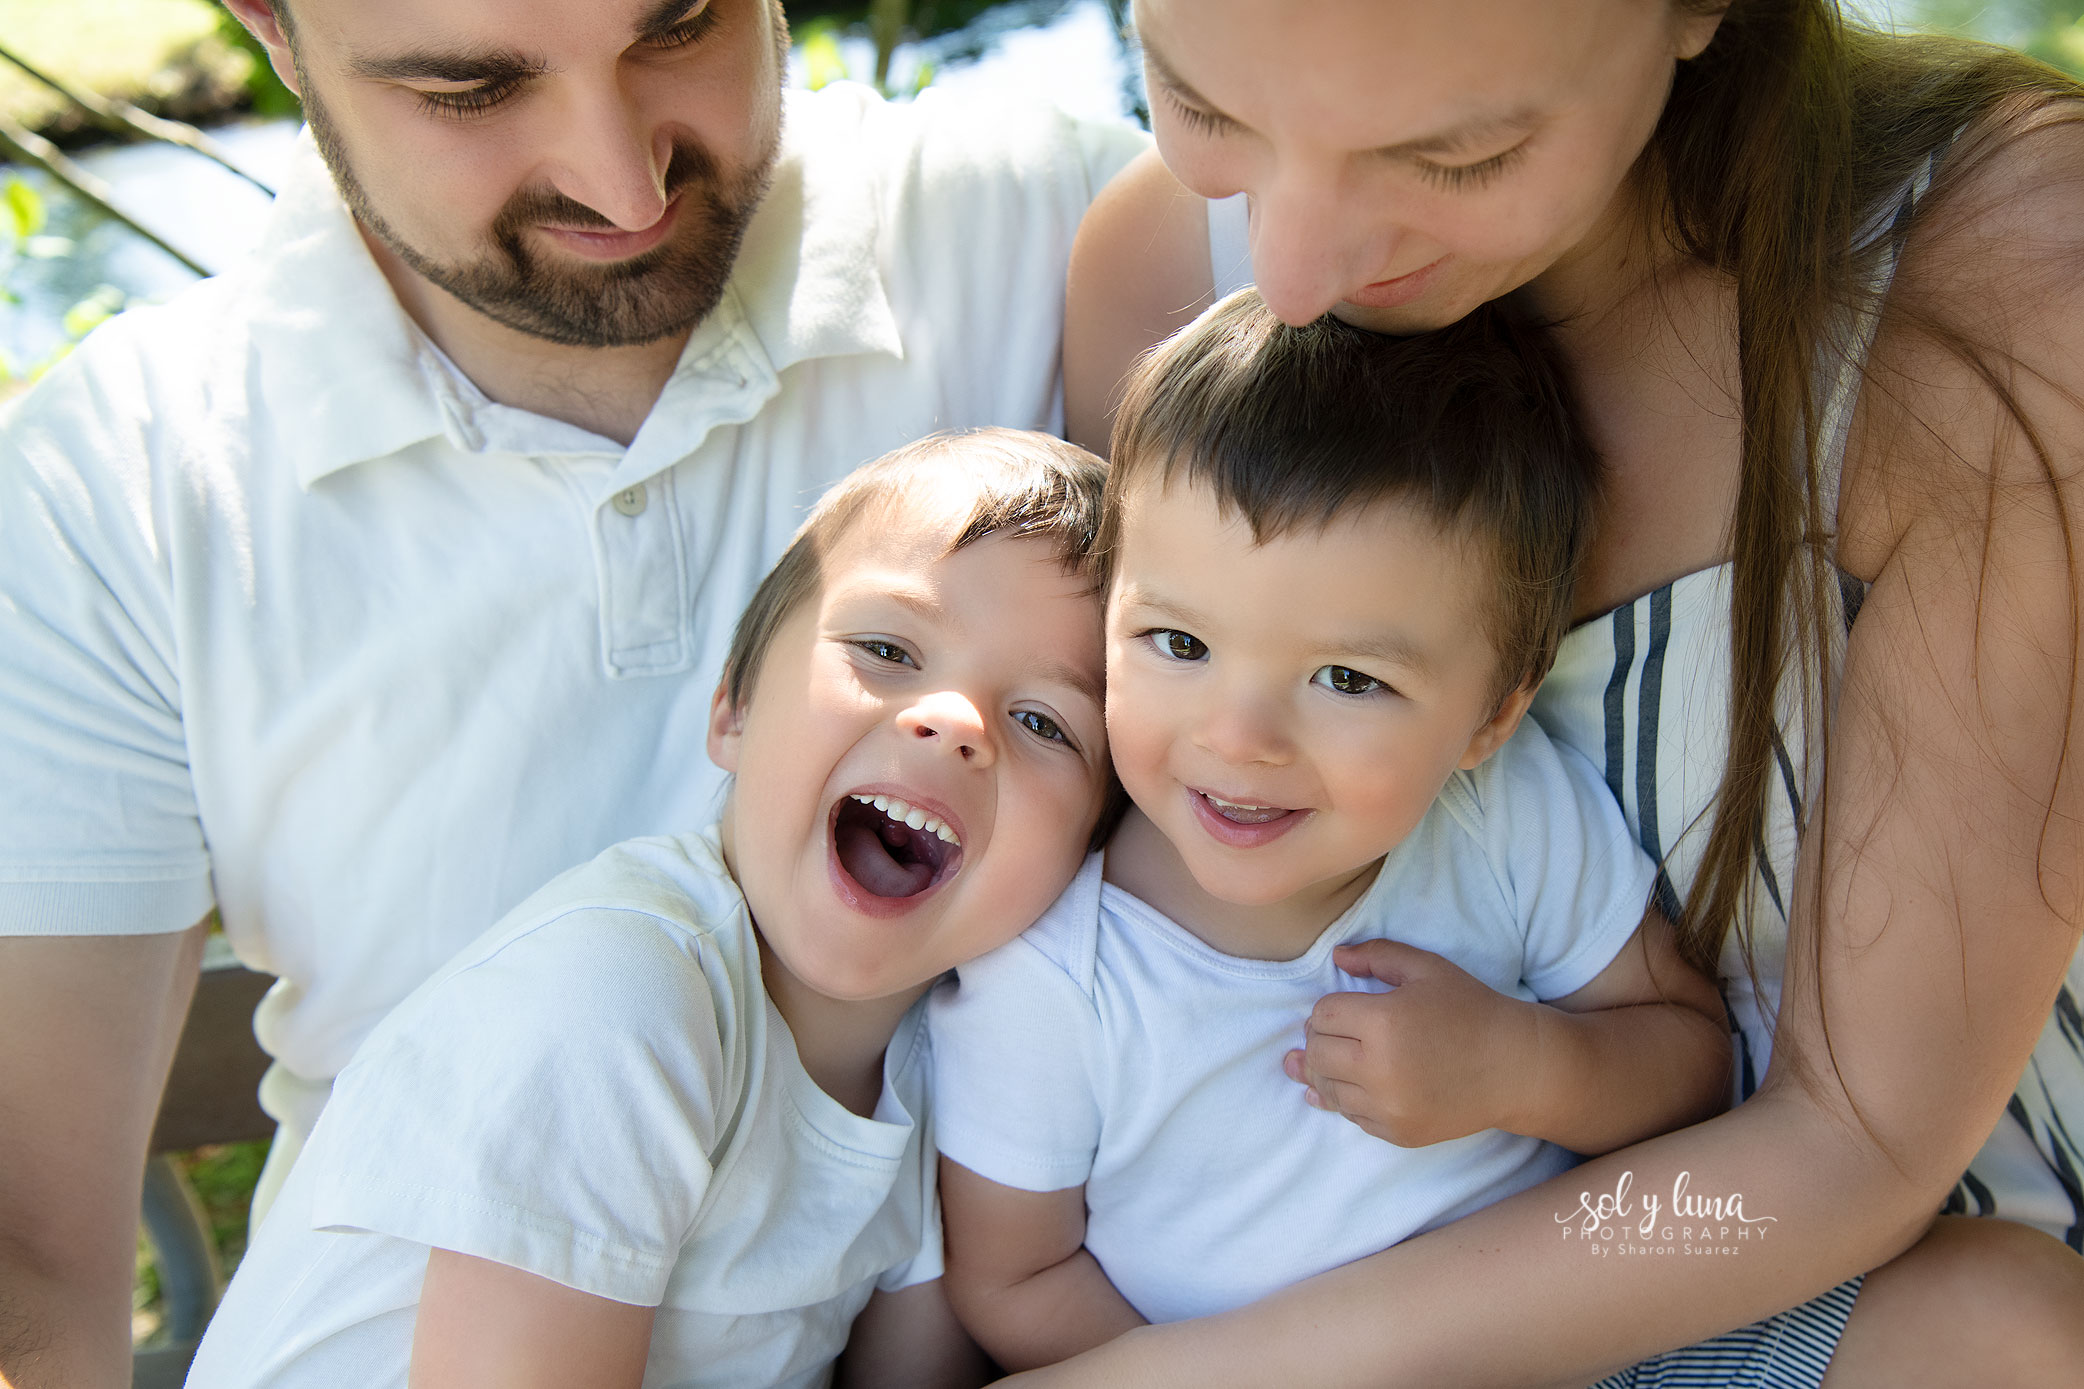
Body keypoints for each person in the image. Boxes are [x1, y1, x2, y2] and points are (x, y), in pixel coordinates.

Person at [0, 0, 1145, 1381]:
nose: (620, 181)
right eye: (471, 90)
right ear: (270, 26)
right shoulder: (109, 487)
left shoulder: (1066, 228)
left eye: (682, 26)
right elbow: (36, 1273)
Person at [1029, 0, 2084, 1384]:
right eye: (1203, 107)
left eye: (1455, 159)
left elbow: (1855, 1143)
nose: (1289, 272)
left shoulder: (2011, 286)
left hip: (1880, 1274)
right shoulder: (1166, 277)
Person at [183, 430, 1116, 1389]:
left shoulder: (942, 1069)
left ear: (1089, 856)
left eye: (1046, 721)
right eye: (887, 649)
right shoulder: (614, 999)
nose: (955, 722)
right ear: (735, 707)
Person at [928, 292, 1732, 1371]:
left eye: (1346, 678)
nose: (1241, 736)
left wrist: (1526, 1069)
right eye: (1177, 641)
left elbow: (1694, 1061)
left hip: (1577, 1348)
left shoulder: (1497, 816)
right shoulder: (1055, 980)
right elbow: (1013, 1280)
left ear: (1489, 715)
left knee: (1989, 1313)